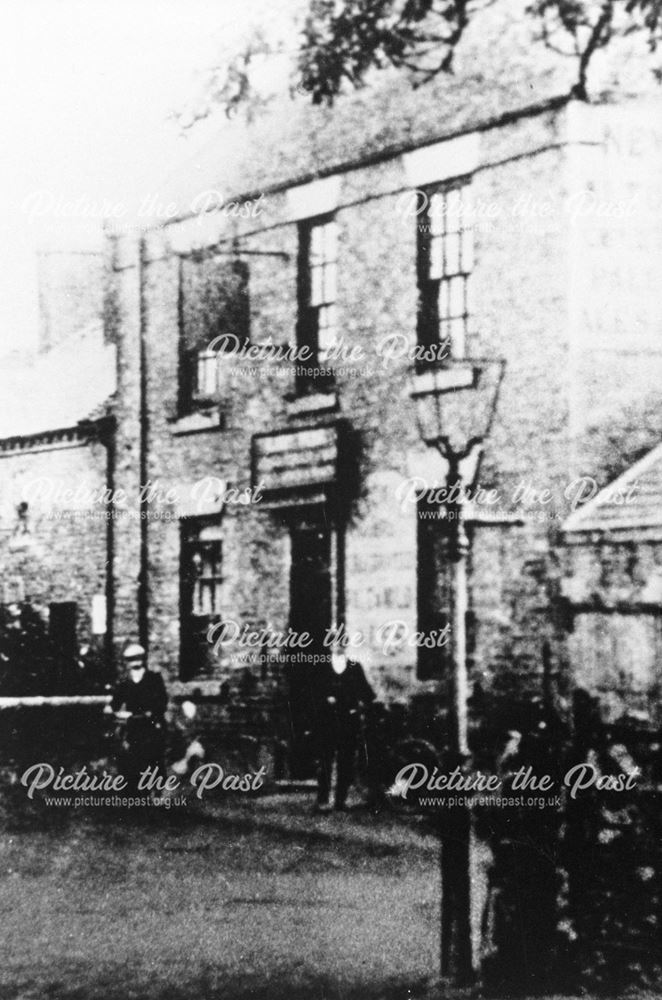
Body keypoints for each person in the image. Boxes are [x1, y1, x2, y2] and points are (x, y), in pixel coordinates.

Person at [314, 644, 375, 812]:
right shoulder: (322, 667)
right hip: (328, 720)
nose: (338, 646)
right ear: (330, 645)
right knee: (325, 759)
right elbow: (314, 692)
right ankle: (323, 799)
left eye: (342, 642)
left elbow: (367, 693)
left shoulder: (355, 668)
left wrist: (361, 704)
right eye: (335, 642)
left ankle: (341, 800)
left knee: (346, 760)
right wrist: (325, 699)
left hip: (349, 720)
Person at [111, 643, 168, 791]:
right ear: (126, 662)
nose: (135, 662)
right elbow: (115, 703)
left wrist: (151, 714)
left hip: (150, 725)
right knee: (131, 761)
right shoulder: (124, 681)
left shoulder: (153, 678)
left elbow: (162, 702)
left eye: (138, 658)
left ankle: (156, 793)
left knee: (153, 759)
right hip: (132, 726)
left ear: (143, 659)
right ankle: (134, 796)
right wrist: (114, 711)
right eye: (130, 659)